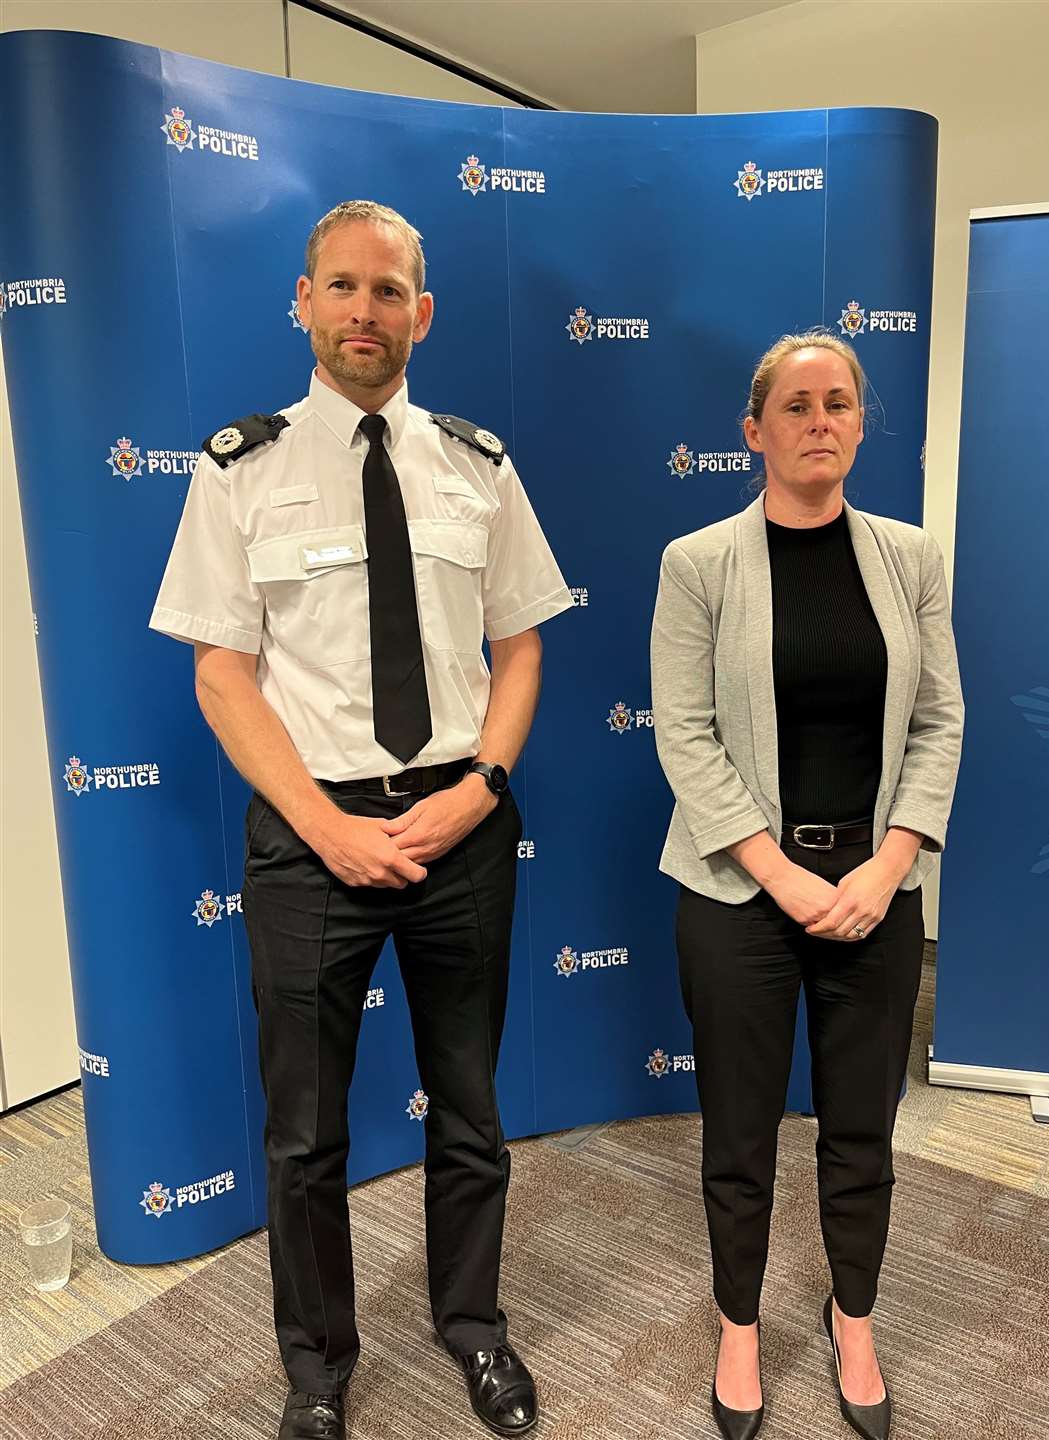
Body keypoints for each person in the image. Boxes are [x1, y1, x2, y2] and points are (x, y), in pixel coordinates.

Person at [150, 200, 572, 1440]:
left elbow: (522, 648)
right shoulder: (240, 468)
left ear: (421, 313)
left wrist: (481, 787)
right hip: (308, 837)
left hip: (461, 826)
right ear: (303, 302)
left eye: (388, 292)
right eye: (341, 288)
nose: (364, 312)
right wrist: (326, 828)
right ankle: (318, 1368)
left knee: (470, 1109)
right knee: (304, 1134)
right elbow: (222, 675)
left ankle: (474, 1330)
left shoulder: (479, 465)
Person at [650, 331, 964, 1440]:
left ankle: (855, 1314)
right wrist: (783, 874)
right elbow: (685, 740)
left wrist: (888, 866)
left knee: (861, 1132)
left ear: (861, 424)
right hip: (743, 895)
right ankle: (739, 1325)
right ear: (756, 431)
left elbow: (940, 720)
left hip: (876, 895)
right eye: (796, 405)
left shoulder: (912, 559)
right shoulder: (698, 564)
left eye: (839, 402)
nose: (819, 419)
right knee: (739, 1131)